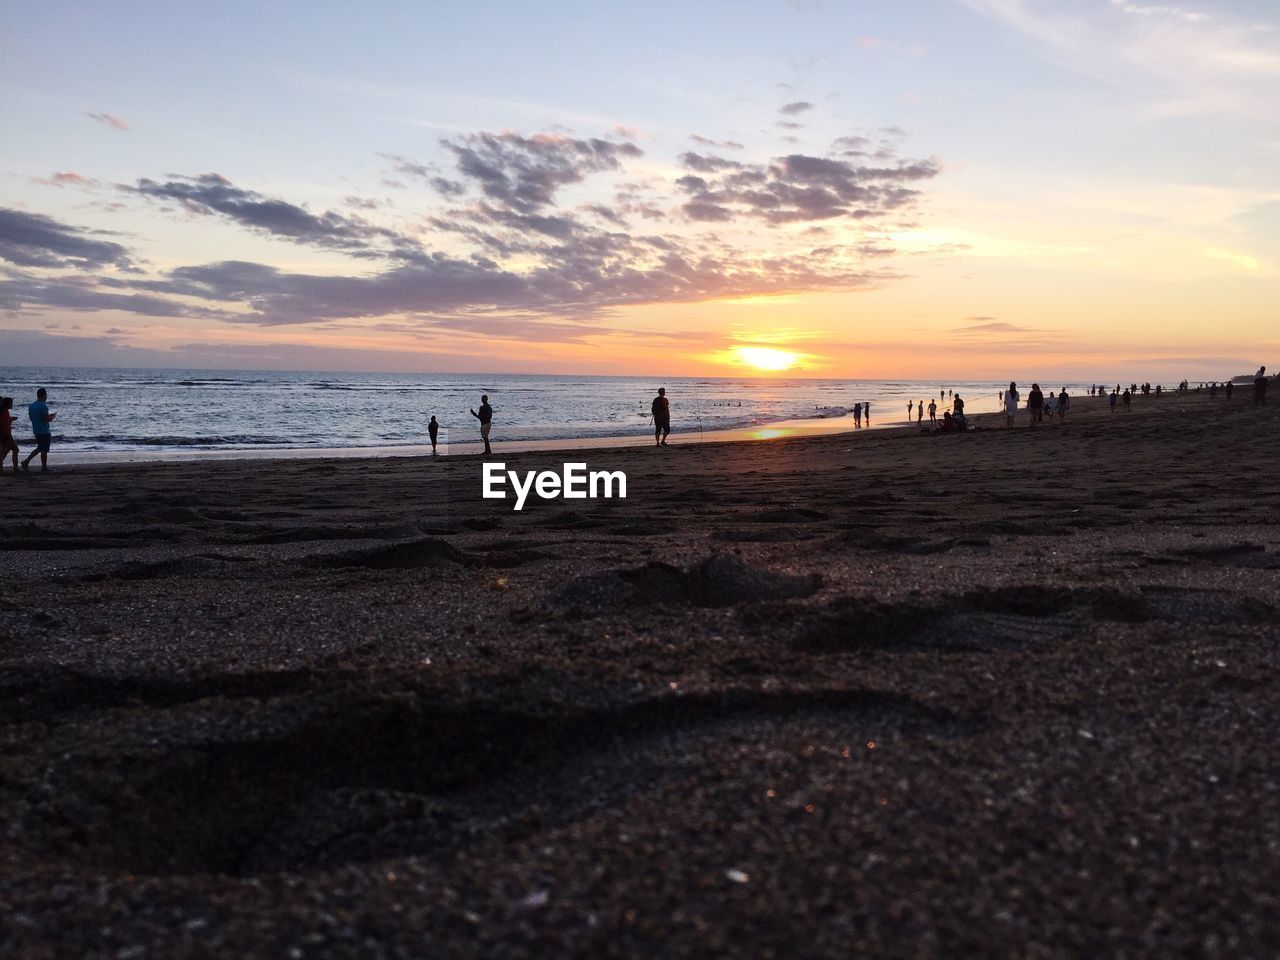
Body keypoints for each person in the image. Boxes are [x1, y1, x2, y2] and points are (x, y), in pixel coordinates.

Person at [21, 388, 55, 473]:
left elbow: (31, 418)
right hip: (44, 430)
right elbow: (45, 419)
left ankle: (26, 461)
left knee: (40, 448)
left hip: (36, 429)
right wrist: (51, 417)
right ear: (44, 395)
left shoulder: (32, 406)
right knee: (44, 449)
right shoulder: (43, 406)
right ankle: (43, 467)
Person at [1, 397, 19, 473]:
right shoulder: (4, 413)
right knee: (14, 449)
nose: (12, 405)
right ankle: (15, 469)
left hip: (3, 434)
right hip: (5, 435)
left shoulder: (5, 412)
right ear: (7, 404)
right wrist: (10, 437)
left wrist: (11, 419)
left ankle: (15, 469)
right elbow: (5, 425)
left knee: (6, 450)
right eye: (11, 403)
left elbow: (6, 421)